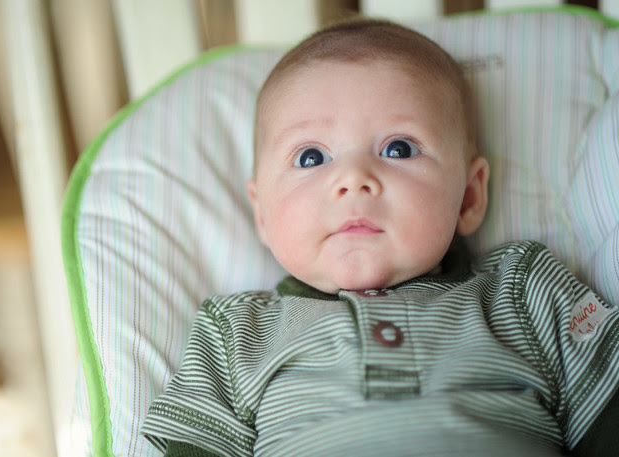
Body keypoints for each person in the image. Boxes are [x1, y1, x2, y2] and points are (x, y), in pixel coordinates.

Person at [141, 19, 619, 457]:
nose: (354, 179)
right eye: (310, 157)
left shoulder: (522, 291)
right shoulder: (236, 333)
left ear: (469, 197)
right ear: (262, 214)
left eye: (399, 148)